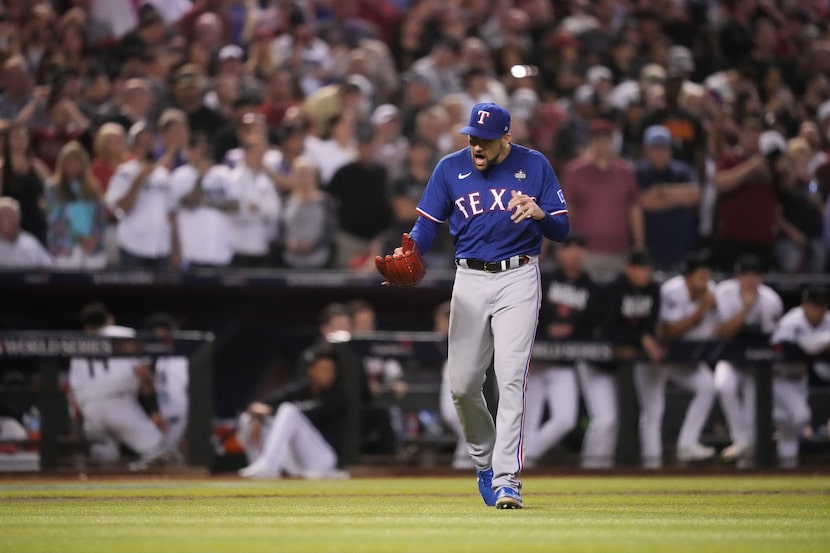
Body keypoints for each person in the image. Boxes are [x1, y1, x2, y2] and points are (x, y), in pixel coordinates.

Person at [382, 102, 569, 508]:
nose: (476, 146)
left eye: (484, 139)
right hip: (468, 278)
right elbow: (427, 224)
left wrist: (540, 214)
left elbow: (562, 226)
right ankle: (484, 463)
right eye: (471, 137)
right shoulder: (450, 168)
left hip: (518, 275)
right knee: (463, 386)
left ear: (506, 137)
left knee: (510, 376)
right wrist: (410, 249)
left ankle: (507, 480)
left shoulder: (534, 165)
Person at [636, 250, 718, 468]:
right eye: (701, 277)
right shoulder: (672, 291)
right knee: (653, 411)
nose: (705, 282)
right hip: (656, 358)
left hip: (684, 359)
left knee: (707, 385)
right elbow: (669, 332)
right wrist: (701, 309)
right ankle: (651, 464)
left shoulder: (711, 292)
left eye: (707, 276)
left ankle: (687, 444)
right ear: (688, 277)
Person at [67, 302, 169, 469]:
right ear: (110, 319)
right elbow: (144, 375)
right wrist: (154, 410)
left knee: (103, 464)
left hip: (90, 410)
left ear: (86, 326)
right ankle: (138, 481)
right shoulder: (124, 334)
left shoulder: (79, 344)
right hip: (120, 405)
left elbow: (72, 393)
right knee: (160, 452)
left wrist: (79, 425)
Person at [523, 233, 595, 469]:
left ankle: (522, 460)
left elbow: (593, 322)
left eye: (578, 249)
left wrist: (572, 328)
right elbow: (530, 312)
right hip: (536, 360)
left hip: (565, 362)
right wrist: (546, 329)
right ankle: (518, 467)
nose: (574, 255)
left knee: (565, 420)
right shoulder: (545, 279)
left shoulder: (589, 285)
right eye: (569, 249)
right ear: (560, 253)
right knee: (527, 422)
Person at [592, 248, 662, 469]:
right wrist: (640, 338)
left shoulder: (654, 290)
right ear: (628, 269)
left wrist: (639, 340)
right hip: (599, 362)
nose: (644, 274)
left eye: (647, 269)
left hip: (630, 362)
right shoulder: (613, 289)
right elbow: (608, 328)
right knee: (606, 420)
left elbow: (650, 326)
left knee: (615, 420)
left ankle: (601, 469)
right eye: (639, 269)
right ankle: (590, 468)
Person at [237, 346, 348, 479]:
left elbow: (305, 413)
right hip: (297, 461)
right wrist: (257, 418)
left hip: (323, 459)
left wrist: (266, 413)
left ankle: (268, 465)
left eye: (332, 370)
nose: (330, 374)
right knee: (247, 418)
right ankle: (259, 466)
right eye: (324, 370)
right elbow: (260, 405)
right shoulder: (301, 389)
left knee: (288, 410)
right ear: (311, 371)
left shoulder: (336, 395)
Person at [713, 255, 783, 464]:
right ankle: (741, 441)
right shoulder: (724, 292)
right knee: (724, 386)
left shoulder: (771, 299)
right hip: (730, 358)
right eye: (745, 274)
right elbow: (724, 331)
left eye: (755, 274)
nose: (750, 279)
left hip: (757, 365)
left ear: (761, 277)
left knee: (754, 403)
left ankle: (749, 452)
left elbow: (772, 339)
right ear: (737, 276)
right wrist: (746, 308)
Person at [562, 118, 643, 275]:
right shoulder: (576, 170)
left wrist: (639, 246)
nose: (602, 144)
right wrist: (568, 245)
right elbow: (567, 209)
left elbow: (634, 209)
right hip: (585, 252)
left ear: (612, 142)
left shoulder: (626, 172)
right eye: (598, 139)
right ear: (591, 142)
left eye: (606, 139)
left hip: (619, 251)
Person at [105, 117, 184, 269]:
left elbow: (172, 214)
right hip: (133, 247)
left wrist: (176, 249)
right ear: (133, 147)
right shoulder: (124, 173)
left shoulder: (164, 175)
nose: (147, 148)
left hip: (161, 248)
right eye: (142, 144)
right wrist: (138, 180)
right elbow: (122, 208)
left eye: (150, 143)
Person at [769, 286, 830, 469]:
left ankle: (788, 466)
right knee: (801, 416)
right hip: (779, 377)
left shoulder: (827, 320)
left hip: (800, 377)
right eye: (814, 305)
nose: (818, 310)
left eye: (822, 306)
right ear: (805, 304)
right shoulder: (792, 321)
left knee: (788, 427)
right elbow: (781, 347)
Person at [635, 125, 701, 271]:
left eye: (664, 148)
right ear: (646, 150)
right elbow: (643, 202)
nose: (660, 153)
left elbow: (694, 196)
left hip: (681, 247)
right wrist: (679, 197)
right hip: (652, 248)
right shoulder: (638, 172)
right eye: (655, 148)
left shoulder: (682, 170)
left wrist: (661, 192)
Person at [170, 134, 238, 268]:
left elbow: (235, 206)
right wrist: (201, 177)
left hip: (220, 252)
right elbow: (189, 203)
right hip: (192, 252)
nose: (202, 152)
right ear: (188, 151)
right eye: (198, 148)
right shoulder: (180, 175)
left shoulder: (223, 173)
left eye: (205, 149)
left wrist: (209, 202)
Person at [44, 141, 107, 269]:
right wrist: (79, 239)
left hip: (93, 248)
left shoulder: (93, 188)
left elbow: (100, 218)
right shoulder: (53, 188)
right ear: (61, 164)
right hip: (65, 248)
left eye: (76, 161)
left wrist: (93, 239)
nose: (73, 165)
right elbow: (55, 219)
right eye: (69, 162)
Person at [143, 312, 189, 464]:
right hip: (162, 411)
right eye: (157, 331)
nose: (160, 334)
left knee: (173, 453)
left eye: (163, 330)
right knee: (164, 452)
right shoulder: (159, 358)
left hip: (178, 412)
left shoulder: (181, 358)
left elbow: (187, 388)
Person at [0, 196, 52, 268]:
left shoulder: (30, 242)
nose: (9, 220)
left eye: (12, 215)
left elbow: (48, 266)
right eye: (5, 216)